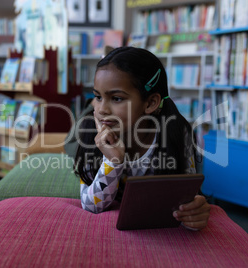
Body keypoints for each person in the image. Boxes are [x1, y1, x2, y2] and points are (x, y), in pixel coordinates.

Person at [74, 47, 210, 230]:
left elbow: (187, 198)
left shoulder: (176, 132)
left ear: (151, 103)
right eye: (98, 97)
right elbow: (91, 206)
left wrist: (194, 211)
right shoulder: (92, 130)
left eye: (116, 98)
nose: (101, 109)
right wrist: (113, 161)